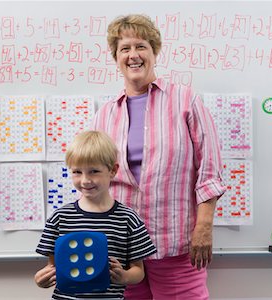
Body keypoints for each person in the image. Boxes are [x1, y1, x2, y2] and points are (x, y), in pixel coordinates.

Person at [91, 14, 226, 299]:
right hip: (123, 249)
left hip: (176, 243)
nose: (133, 55)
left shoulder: (185, 100)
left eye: (140, 46)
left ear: (154, 51)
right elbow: (94, 180)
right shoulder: (105, 114)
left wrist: (204, 227)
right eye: (124, 48)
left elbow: (209, 171)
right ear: (116, 57)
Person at [35, 130, 157, 300]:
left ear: (113, 170)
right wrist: (41, 279)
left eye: (94, 171)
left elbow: (138, 270)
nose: (85, 180)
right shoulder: (60, 218)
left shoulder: (129, 219)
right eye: (77, 172)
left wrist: (125, 277)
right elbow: (52, 267)